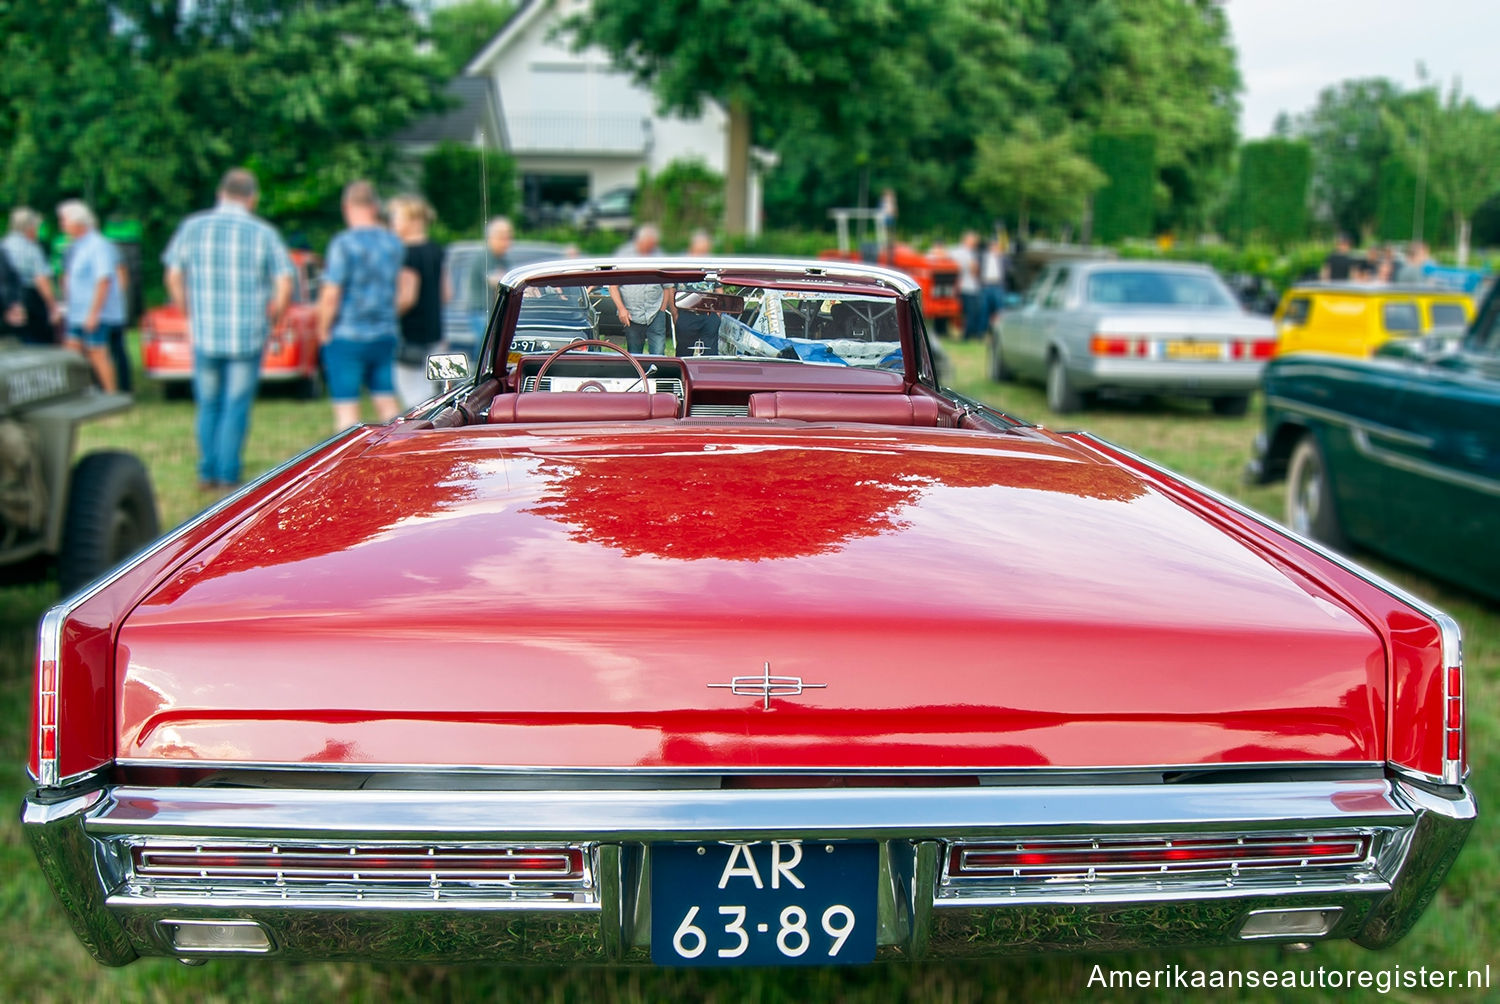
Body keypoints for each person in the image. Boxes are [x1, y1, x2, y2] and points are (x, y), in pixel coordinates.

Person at [163, 169, 295, 492]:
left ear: (221, 193)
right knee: (235, 405)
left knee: (208, 403)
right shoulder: (262, 232)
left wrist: (186, 309)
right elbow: (285, 281)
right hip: (247, 333)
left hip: (205, 331)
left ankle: (206, 471)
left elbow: (173, 274)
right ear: (252, 198)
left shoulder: (193, 227)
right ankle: (227, 473)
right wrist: (275, 315)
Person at [317, 180, 405, 432]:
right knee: (388, 405)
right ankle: (396, 454)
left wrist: (323, 330)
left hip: (348, 334)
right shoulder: (393, 243)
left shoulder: (343, 244)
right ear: (375, 206)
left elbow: (331, 293)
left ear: (347, 207)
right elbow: (398, 289)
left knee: (347, 413)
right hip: (385, 332)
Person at [57, 200, 127, 392]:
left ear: (78, 223)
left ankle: (112, 395)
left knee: (97, 352)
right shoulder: (75, 246)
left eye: (64, 220)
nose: (61, 225)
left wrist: (94, 313)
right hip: (76, 312)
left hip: (94, 312)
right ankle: (81, 392)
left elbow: (103, 280)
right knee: (72, 351)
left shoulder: (98, 245)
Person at [390, 194, 446, 408]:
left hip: (411, 335)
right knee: (433, 394)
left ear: (413, 220)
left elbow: (407, 298)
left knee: (414, 398)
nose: (393, 223)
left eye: (397, 217)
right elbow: (446, 293)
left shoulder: (406, 253)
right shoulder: (436, 250)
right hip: (435, 332)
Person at [610, 224, 673, 355]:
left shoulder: (660, 256)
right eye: (648, 245)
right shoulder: (624, 255)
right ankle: (639, 376)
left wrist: (662, 310)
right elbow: (613, 286)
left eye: (653, 246)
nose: (650, 249)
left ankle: (657, 375)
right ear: (639, 241)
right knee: (634, 353)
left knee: (658, 352)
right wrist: (621, 309)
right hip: (631, 313)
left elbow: (667, 287)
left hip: (655, 312)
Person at [3, 208, 59, 343]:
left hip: (7, 301)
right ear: (29, 227)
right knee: (39, 341)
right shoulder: (31, 248)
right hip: (31, 300)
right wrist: (53, 306)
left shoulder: (4, 244)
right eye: (37, 226)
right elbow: (41, 279)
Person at [951, 230, 984, 340]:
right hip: (966, 287)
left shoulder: (968, 252)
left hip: (971, 286)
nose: (974, 243)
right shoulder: (962, 252)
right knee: (970, 312)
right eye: (973, 241)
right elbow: (973, 269)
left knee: (972, 312)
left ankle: (970, 333)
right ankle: (967, 335)